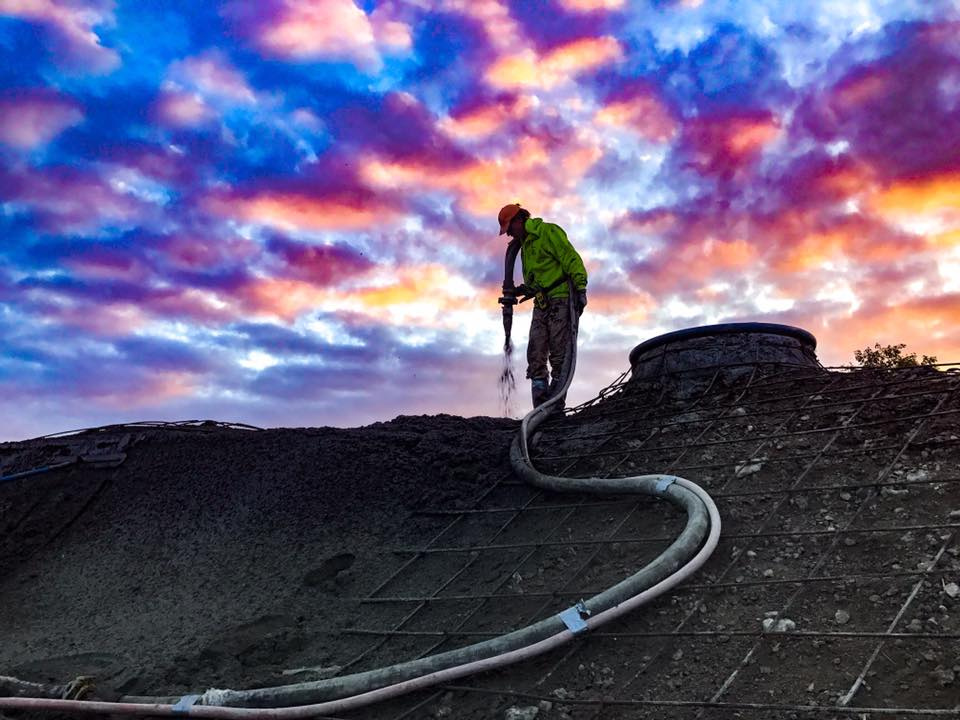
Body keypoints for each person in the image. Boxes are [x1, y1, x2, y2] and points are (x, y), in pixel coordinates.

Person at [498, 203, 588, 409]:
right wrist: (524, 289)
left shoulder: (548, 232)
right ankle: (540, 408)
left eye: (510, 229)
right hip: (541, 302)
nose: (510, 235)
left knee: (559, 357)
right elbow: (536, 277)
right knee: (535, 356)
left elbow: (570, 258)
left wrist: (581, 289)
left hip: (561, 299)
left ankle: (554, 410)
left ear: (519, 220)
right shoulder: (525, 247)